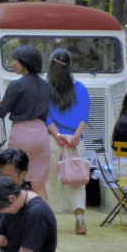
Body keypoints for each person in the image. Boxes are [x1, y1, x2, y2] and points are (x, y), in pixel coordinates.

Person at [0, 45, 51, 203]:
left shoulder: (16, 84)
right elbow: (43, 111)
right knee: (38, 183)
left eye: (16, 60)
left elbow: (1, 112)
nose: (14, 63)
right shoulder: (46, 86)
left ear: (24, 62)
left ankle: (12, 216)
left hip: (22, 133)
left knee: (12, 179)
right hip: (41, 133)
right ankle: (44, 220)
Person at [45, 49, 90, 235]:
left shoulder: (46, 88)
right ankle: (79, 219)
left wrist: (56, 135)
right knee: (77, 181)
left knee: (49, 182)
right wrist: (77, 135)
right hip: (75, 141)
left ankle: (47, 223)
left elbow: (45, 115)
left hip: (53, 140)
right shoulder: (80, 87)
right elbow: (85, 114)